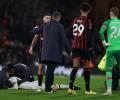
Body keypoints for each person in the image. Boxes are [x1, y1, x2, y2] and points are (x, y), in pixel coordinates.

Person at [35, 11, 71, 92]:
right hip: (53, 54)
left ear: (52, 17)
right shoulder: (59, 26)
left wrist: (34, 28)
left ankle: (49, 87)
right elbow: (64, 40)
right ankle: (48, 89)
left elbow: (35, 31)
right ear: (58, 18)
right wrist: (69, 51)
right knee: (50, 70)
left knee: (50, 70)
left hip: (44, 53)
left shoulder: (45, 25)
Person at [68, 2, 96, 95]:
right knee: (86, 68)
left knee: (75, 67)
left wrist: (76, 38)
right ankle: (87, 90)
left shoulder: (75, 19)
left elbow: (69, 33)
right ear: (88, 11)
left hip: (75, 46)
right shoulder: (88, 21)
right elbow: (89, 35)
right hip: (84, 47)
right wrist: (91, 48)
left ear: (80, 10)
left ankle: (70, 88)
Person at [99, 7, 120, 95]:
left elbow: (100, 32)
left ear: (111, 13)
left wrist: (104, 43)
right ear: (117, 14)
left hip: (111, 49)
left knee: (109, 70)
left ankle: (109, 91)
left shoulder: (107, 22)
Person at [29, 12, 51, 92]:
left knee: (49, 69)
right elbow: (36, 38)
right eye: (47, 18)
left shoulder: (53, 27)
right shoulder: (40, 27)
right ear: (43, 18)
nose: (48, 19)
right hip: (42, 51)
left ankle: (49, 86)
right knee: (40, 68)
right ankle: (39, 86)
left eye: (49, 18)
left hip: (50, 51)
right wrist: (31, 47)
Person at [8, 76, 81, 90]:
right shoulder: (17, 79)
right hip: (35, 83)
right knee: (53, 86)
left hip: (36, 86)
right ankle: (71, 86)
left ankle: (71, 86)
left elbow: (13, 87)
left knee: (53, 87)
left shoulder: (15, 83)